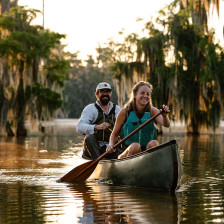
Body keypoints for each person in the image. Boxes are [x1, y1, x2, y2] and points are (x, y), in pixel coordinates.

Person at [106, 81, 170, 159]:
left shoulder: (153, 111)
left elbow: (166, 124)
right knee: (135, 146)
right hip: (127, 151)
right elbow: (114, 134)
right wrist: (111, 145)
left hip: (146, 152)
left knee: (154, 143)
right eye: (142, 93)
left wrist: (165, 116)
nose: (145, 96)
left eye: (148, 94)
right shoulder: (124, 112)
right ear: (135, 94)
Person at [76, 82, 121, 159]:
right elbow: (79, 127)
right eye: (102, 91)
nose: (105, 94)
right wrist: (97, 127)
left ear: (111, 94)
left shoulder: (117, 109)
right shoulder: (90, 109)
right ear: (96, 94)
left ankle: (117, 158)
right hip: (94, 148)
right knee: (89, 137)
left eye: (107, 91)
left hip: (111, 147)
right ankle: (98, 161)